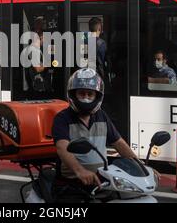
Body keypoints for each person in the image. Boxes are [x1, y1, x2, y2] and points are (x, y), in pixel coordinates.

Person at [51, 68, 138, 203]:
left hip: (102, 183)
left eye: (90, 94)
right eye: (81, 93)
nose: (86, 98)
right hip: (71, 185)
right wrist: (80, 171)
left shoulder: (101, 116)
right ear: (73, 95)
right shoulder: (62, 118)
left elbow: (119, 143)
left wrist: (140, 166)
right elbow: (62, 148)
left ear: (97, 96)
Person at [24, 17, 53, 99]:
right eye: (42, 37)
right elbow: (38, 69)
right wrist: (49, 64)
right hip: (37, 88)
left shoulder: (40, 49)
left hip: (42, 86)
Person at [88, 17, 110, 84]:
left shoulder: (84, 41)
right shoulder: (102, 43)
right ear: (99, 29)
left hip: (86, 73)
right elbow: (104, 61)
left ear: (89, 28)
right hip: (98, 75)